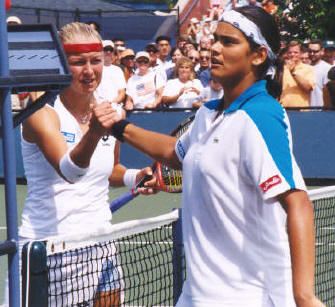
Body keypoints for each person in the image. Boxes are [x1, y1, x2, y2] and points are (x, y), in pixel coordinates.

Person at [106, 6, 325, 307]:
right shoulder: (208, 113)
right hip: (196, 296)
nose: (215, 48)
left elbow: (298, 201)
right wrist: (118, 126)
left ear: (258, 56)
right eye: (215, 39)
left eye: (229, 42)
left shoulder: (260, 115)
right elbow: (175, 153)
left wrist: (304, 296)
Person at [3, 22, 155, 307]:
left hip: (100, 243)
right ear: (62, 64)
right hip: (48, 250)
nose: (89, 71)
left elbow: (110, 170)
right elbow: (70, 171)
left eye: (95, 61)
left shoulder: (110, 108)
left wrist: (137, 176)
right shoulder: (42, 113)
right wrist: (96, 132)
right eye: (78, 62)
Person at [280, 40, 316, 108]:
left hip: (301, 111)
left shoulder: (308, 69)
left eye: (295, 52)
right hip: (284, 110)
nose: (292, 54)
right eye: (290, 52)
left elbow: (308, 88)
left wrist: (293, 72)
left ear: (301, 53)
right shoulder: (282, 69)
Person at [95, 40, 127, 106]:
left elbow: (122, 92)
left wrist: (112, 103)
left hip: (115, 106)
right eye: (106, 49)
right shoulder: (94, 68)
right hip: (98, 106)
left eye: (111, 50)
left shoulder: (118, 70)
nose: (108, 52)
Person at [308, 39, 332, 107]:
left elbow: (328, 93)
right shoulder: (304, 67)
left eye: (315, 51)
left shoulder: (327, 69)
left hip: (321, 112)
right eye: (310, 51)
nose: (312, 54)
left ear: (322, 51)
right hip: (305, 111)